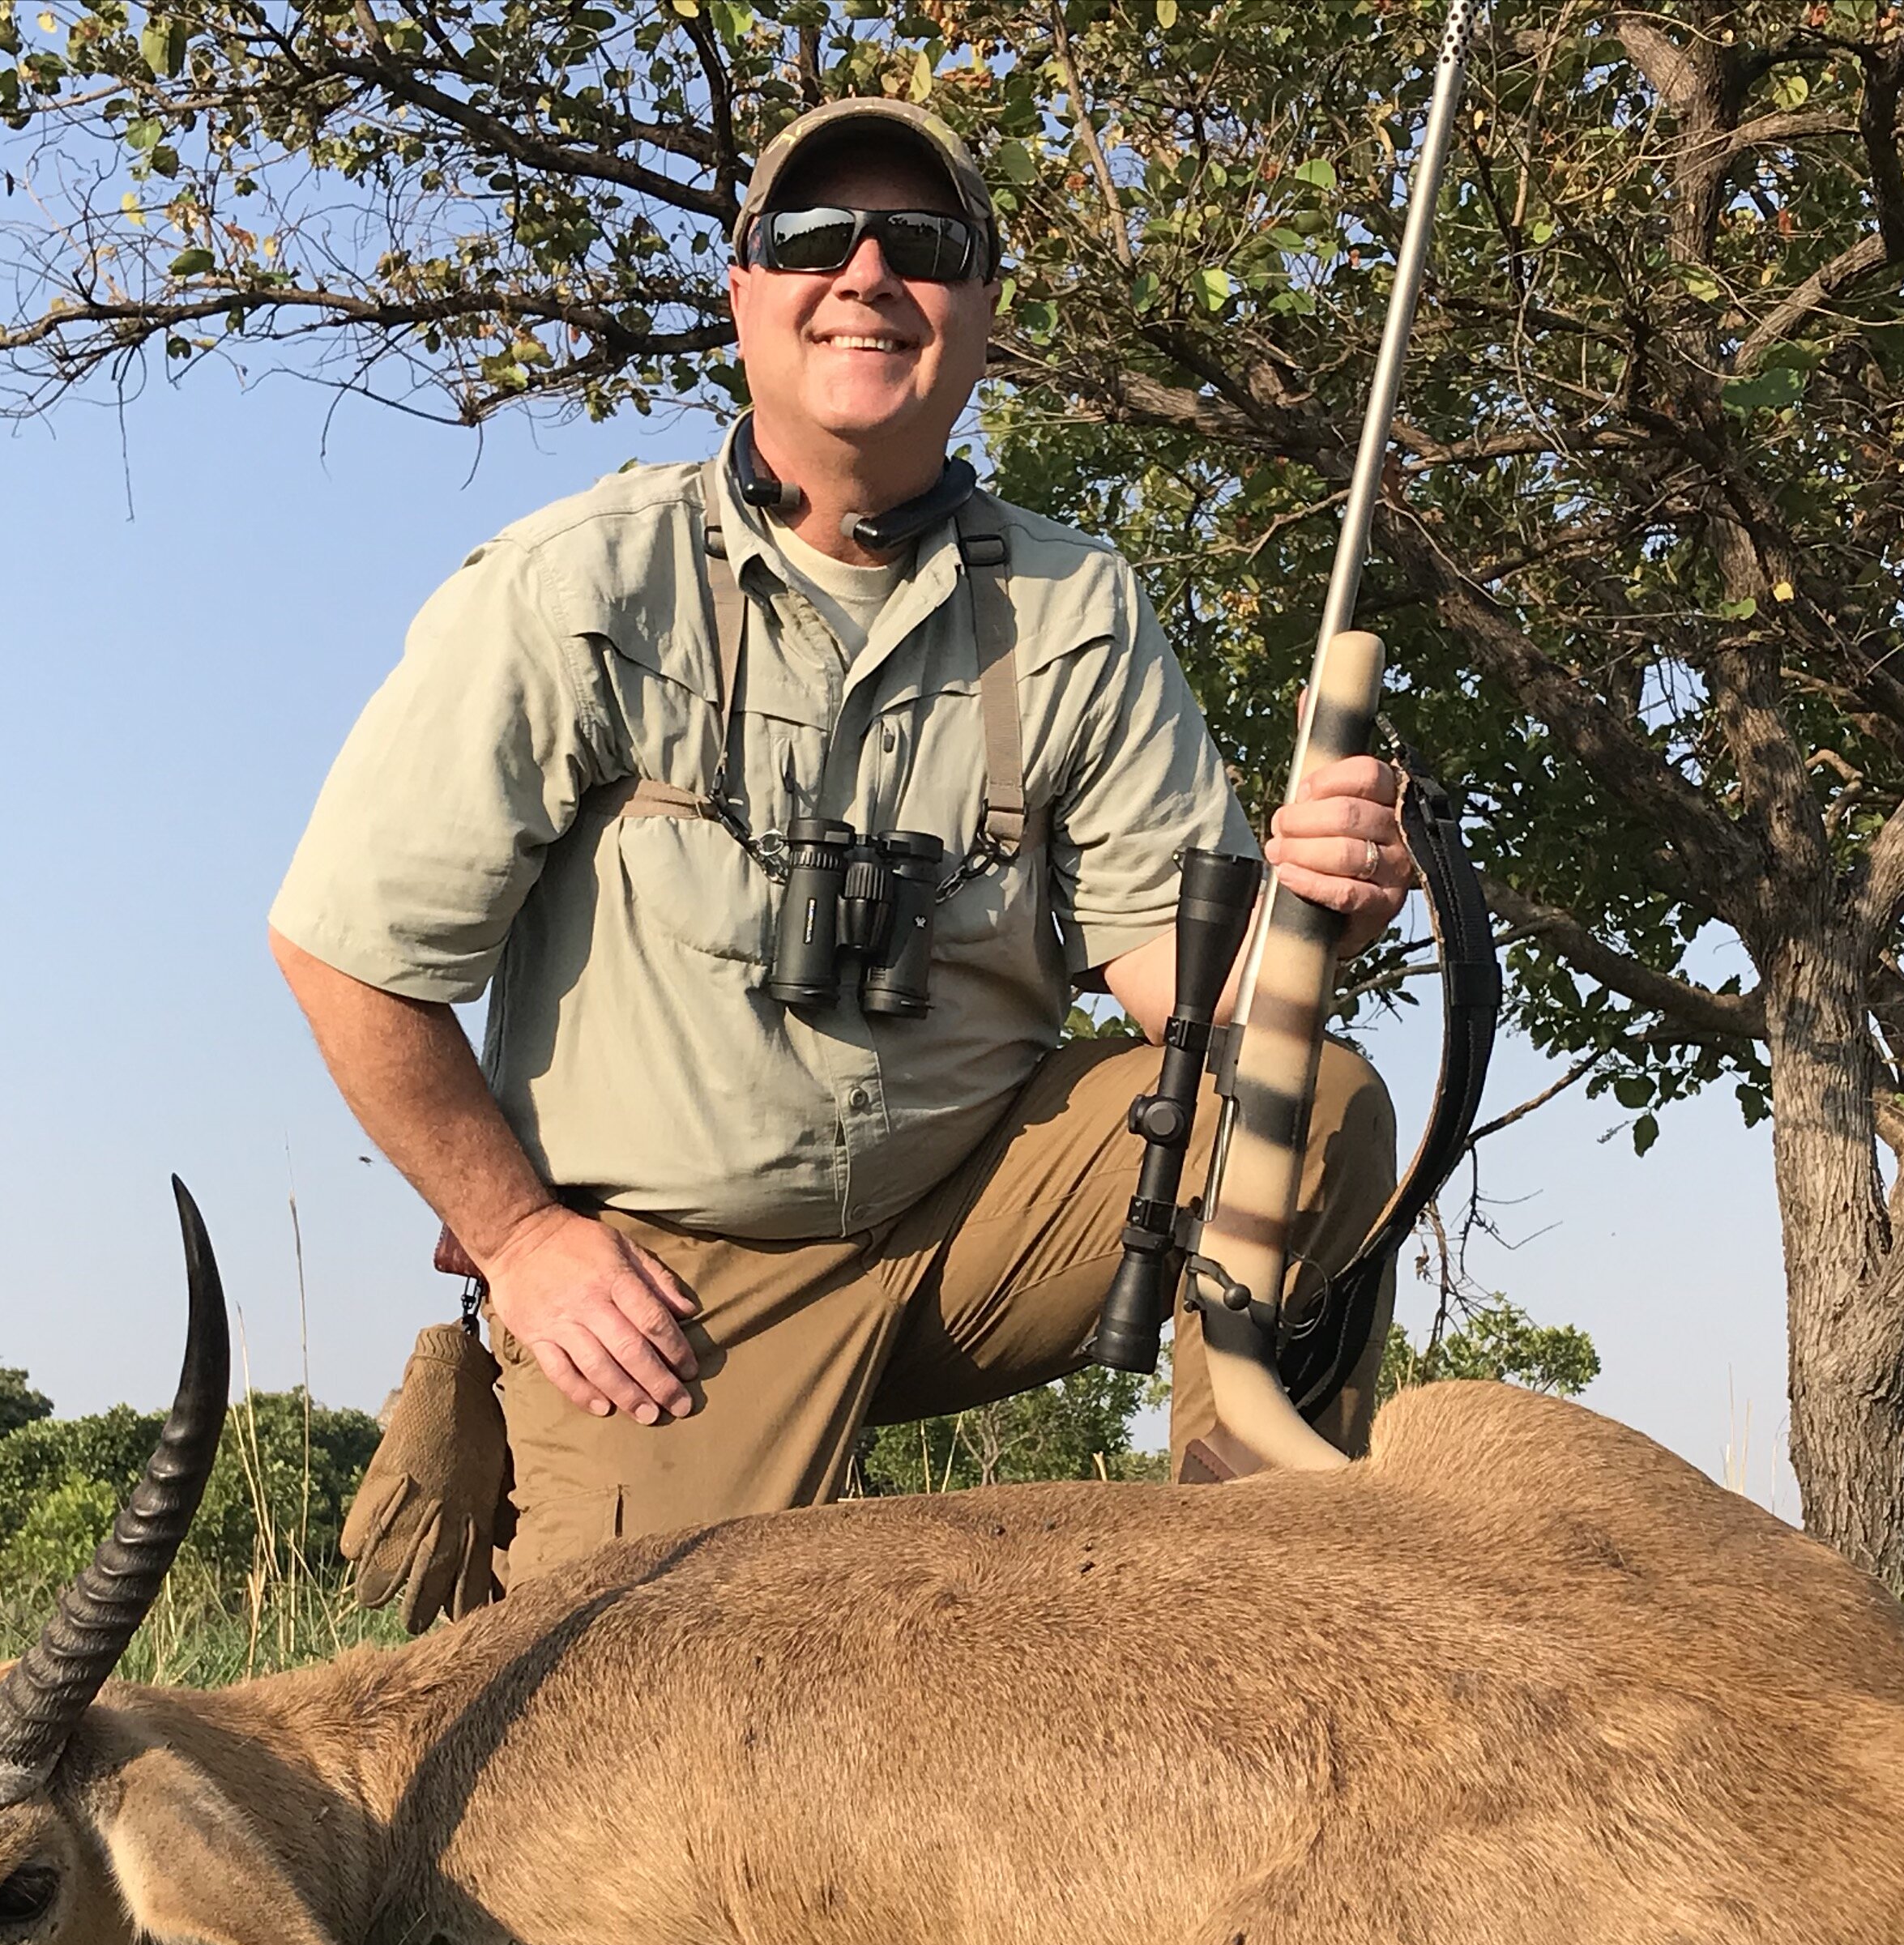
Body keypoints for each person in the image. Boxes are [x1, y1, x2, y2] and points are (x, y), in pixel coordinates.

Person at [270, 98, 1413, 1587]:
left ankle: (1264, 1596)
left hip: (973, 1226)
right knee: (622, 1738)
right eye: (816, 238)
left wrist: (1325, 903)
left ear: (980, 309)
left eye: (923, 245)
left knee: (1306, 1097)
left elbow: (1185, 1001)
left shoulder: (1080, 606)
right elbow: (344, 954)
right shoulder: (577, 586)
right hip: (675, 1290)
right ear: (744, 292)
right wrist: (520, 1236)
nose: (868, 274)